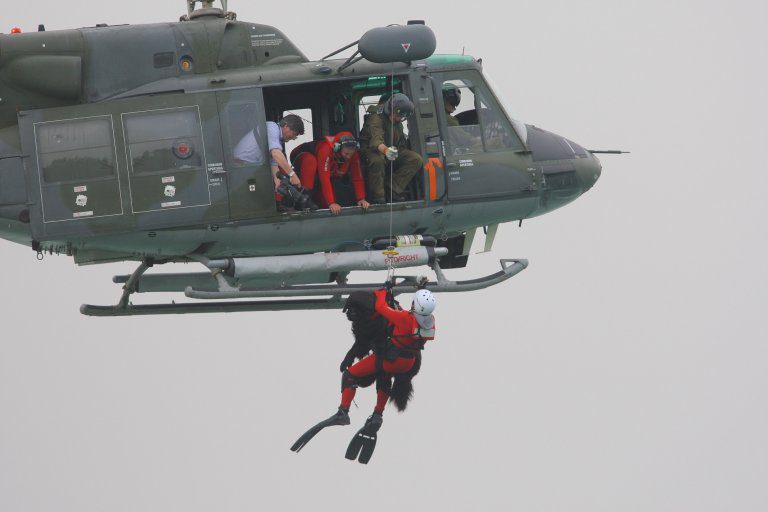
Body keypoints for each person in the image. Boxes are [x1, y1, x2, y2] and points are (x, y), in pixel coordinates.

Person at [290, 288, 437, 464]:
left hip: (392, 358)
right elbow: (401, 315)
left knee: (350, 375)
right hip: (409, 362)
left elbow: (382, 308)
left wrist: (381, 293)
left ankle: (342, 412)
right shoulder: (429, 322)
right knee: (384, 376)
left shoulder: (405, 319)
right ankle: (377, 415)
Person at [358, 93, 423, 204]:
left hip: (390, 150)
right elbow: (376, 141)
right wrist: (387, 151)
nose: (398, 118)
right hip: (372, 150)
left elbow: (399, 142)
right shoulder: (376, 118)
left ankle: (392, 188)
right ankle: (378, 196)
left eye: (401, 117)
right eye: (397, 115)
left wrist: (394, 151)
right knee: (377, 160)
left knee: (415, 159)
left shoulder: (397, 122)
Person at [289, 132, 370, 215]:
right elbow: (324, 179)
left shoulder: (353, 153)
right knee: (310, 161)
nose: (348, 157)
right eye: (346, 154)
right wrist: (331, 203)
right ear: (337, 148)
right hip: (301, 155)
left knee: (324, 204)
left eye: (351, 154)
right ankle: (304, 199)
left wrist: (361, 199)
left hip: (321, 169)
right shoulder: (325, 149)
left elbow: (357, 177)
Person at [233, 114, 304, 191]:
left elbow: (274, 164)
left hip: (247, 168)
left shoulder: (276, 140)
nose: (293, 138)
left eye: (295, 136)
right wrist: (292, 175)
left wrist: (277, 182)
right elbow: (276, 153)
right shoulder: (272, 128)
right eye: (293, 134)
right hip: (240, 168)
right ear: (286, 126)